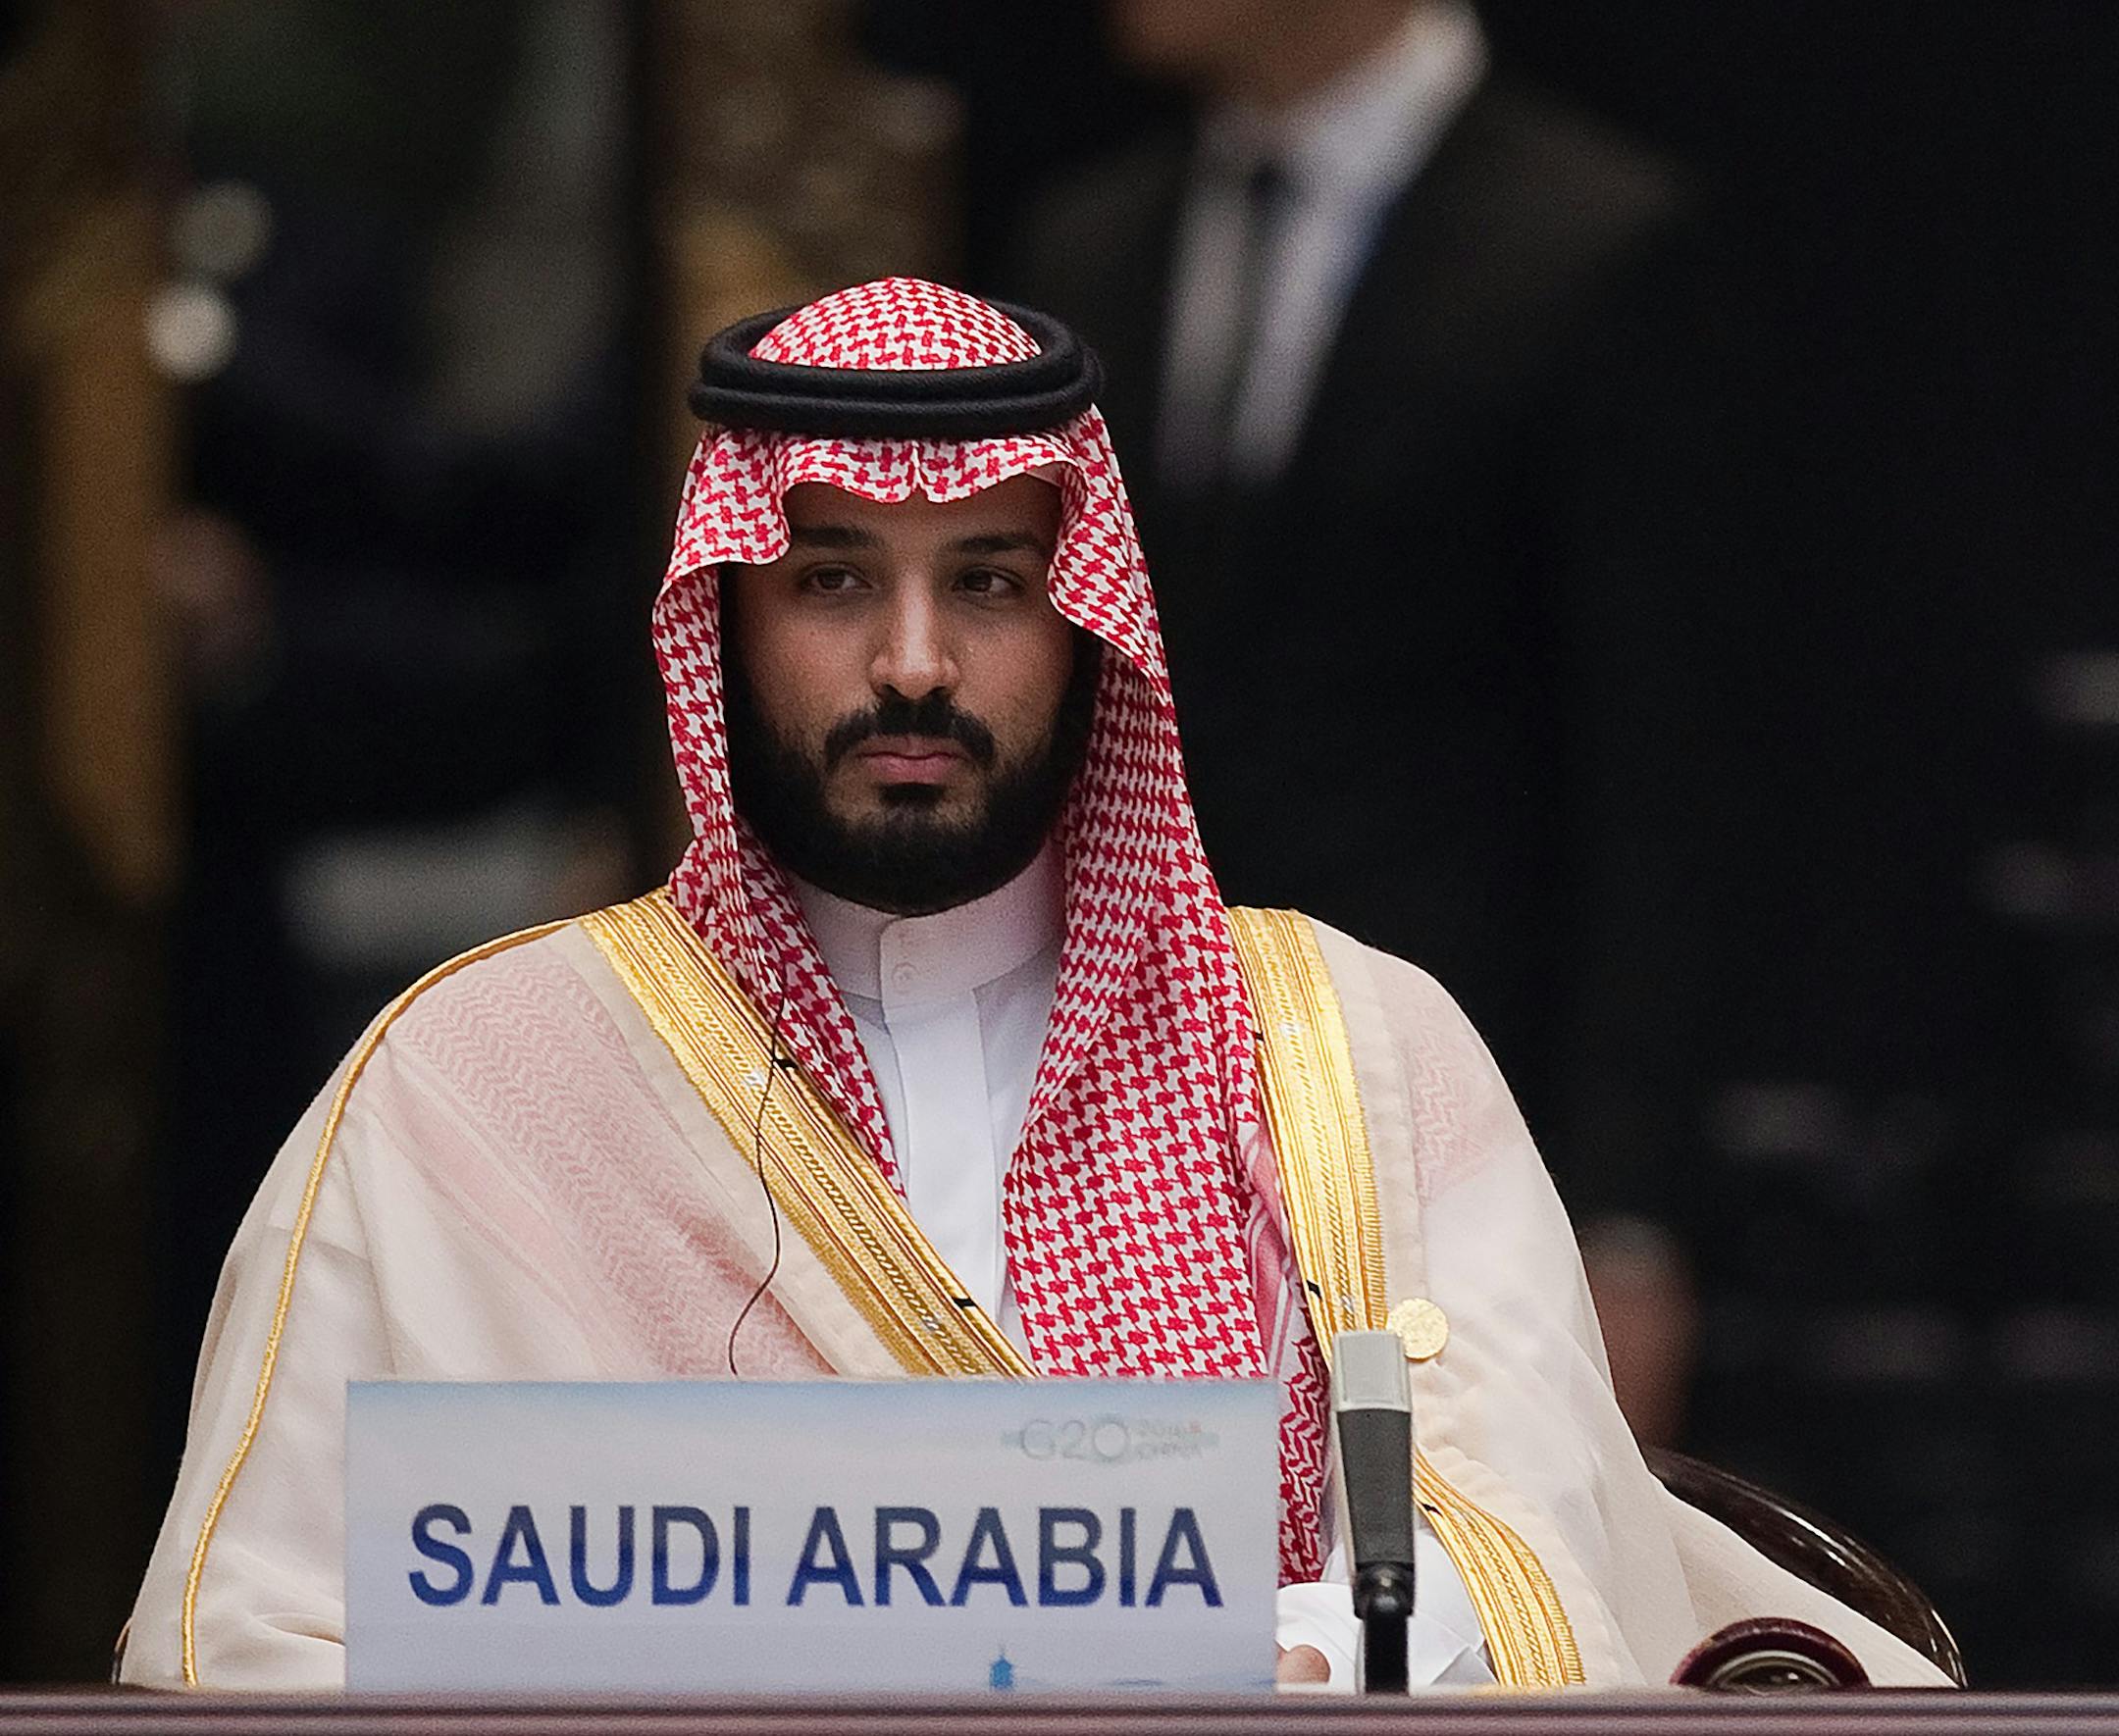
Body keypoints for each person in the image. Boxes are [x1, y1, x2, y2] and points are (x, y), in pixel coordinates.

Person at [121, 280, 1940, 1691]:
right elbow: (251, 1647)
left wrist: (1266, 1648)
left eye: (986, 580)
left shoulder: (1360, 1051)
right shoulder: (468, 1084)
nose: (914, 662)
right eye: (835, 576)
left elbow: (1538, 1552)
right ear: (724, 613)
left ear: (1085, 622)